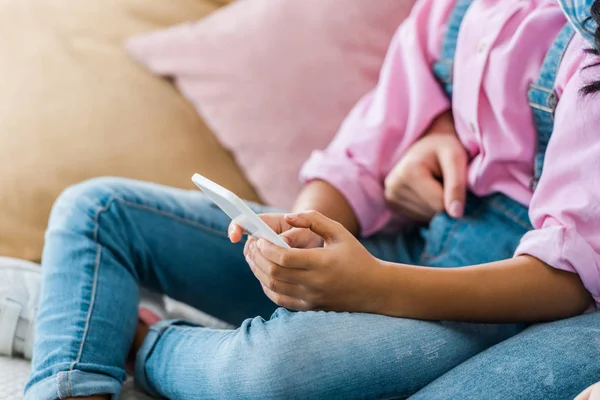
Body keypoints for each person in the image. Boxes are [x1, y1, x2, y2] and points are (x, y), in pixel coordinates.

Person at [1, 0, 599, 398]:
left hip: (497, 305)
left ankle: (146, 343)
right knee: (97, 210)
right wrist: (299, 228)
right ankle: (71, 385)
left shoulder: (587, 43)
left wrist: (371, 286)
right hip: (408, 247)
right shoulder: (458, 10)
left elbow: (568, 278)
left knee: (281, 367)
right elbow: (363, 154)